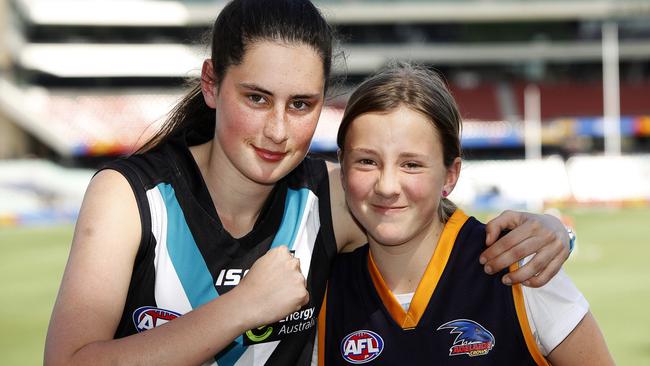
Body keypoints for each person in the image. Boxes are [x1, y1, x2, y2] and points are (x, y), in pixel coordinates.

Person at [44, 1, 573, 365]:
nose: (277, 130)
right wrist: (241, 309)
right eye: (256, 98)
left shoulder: (331, 198)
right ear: (211, 84)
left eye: (301, 105)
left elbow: (435, 220)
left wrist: (549, 230)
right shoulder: (131, 196)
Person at [318, 63, 614, 365]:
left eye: (412, 164)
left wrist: (561, 232)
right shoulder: (323, 295)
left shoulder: (518, 265)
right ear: (342, 168)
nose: (388, 186)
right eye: (367, 161)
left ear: (450, 175)